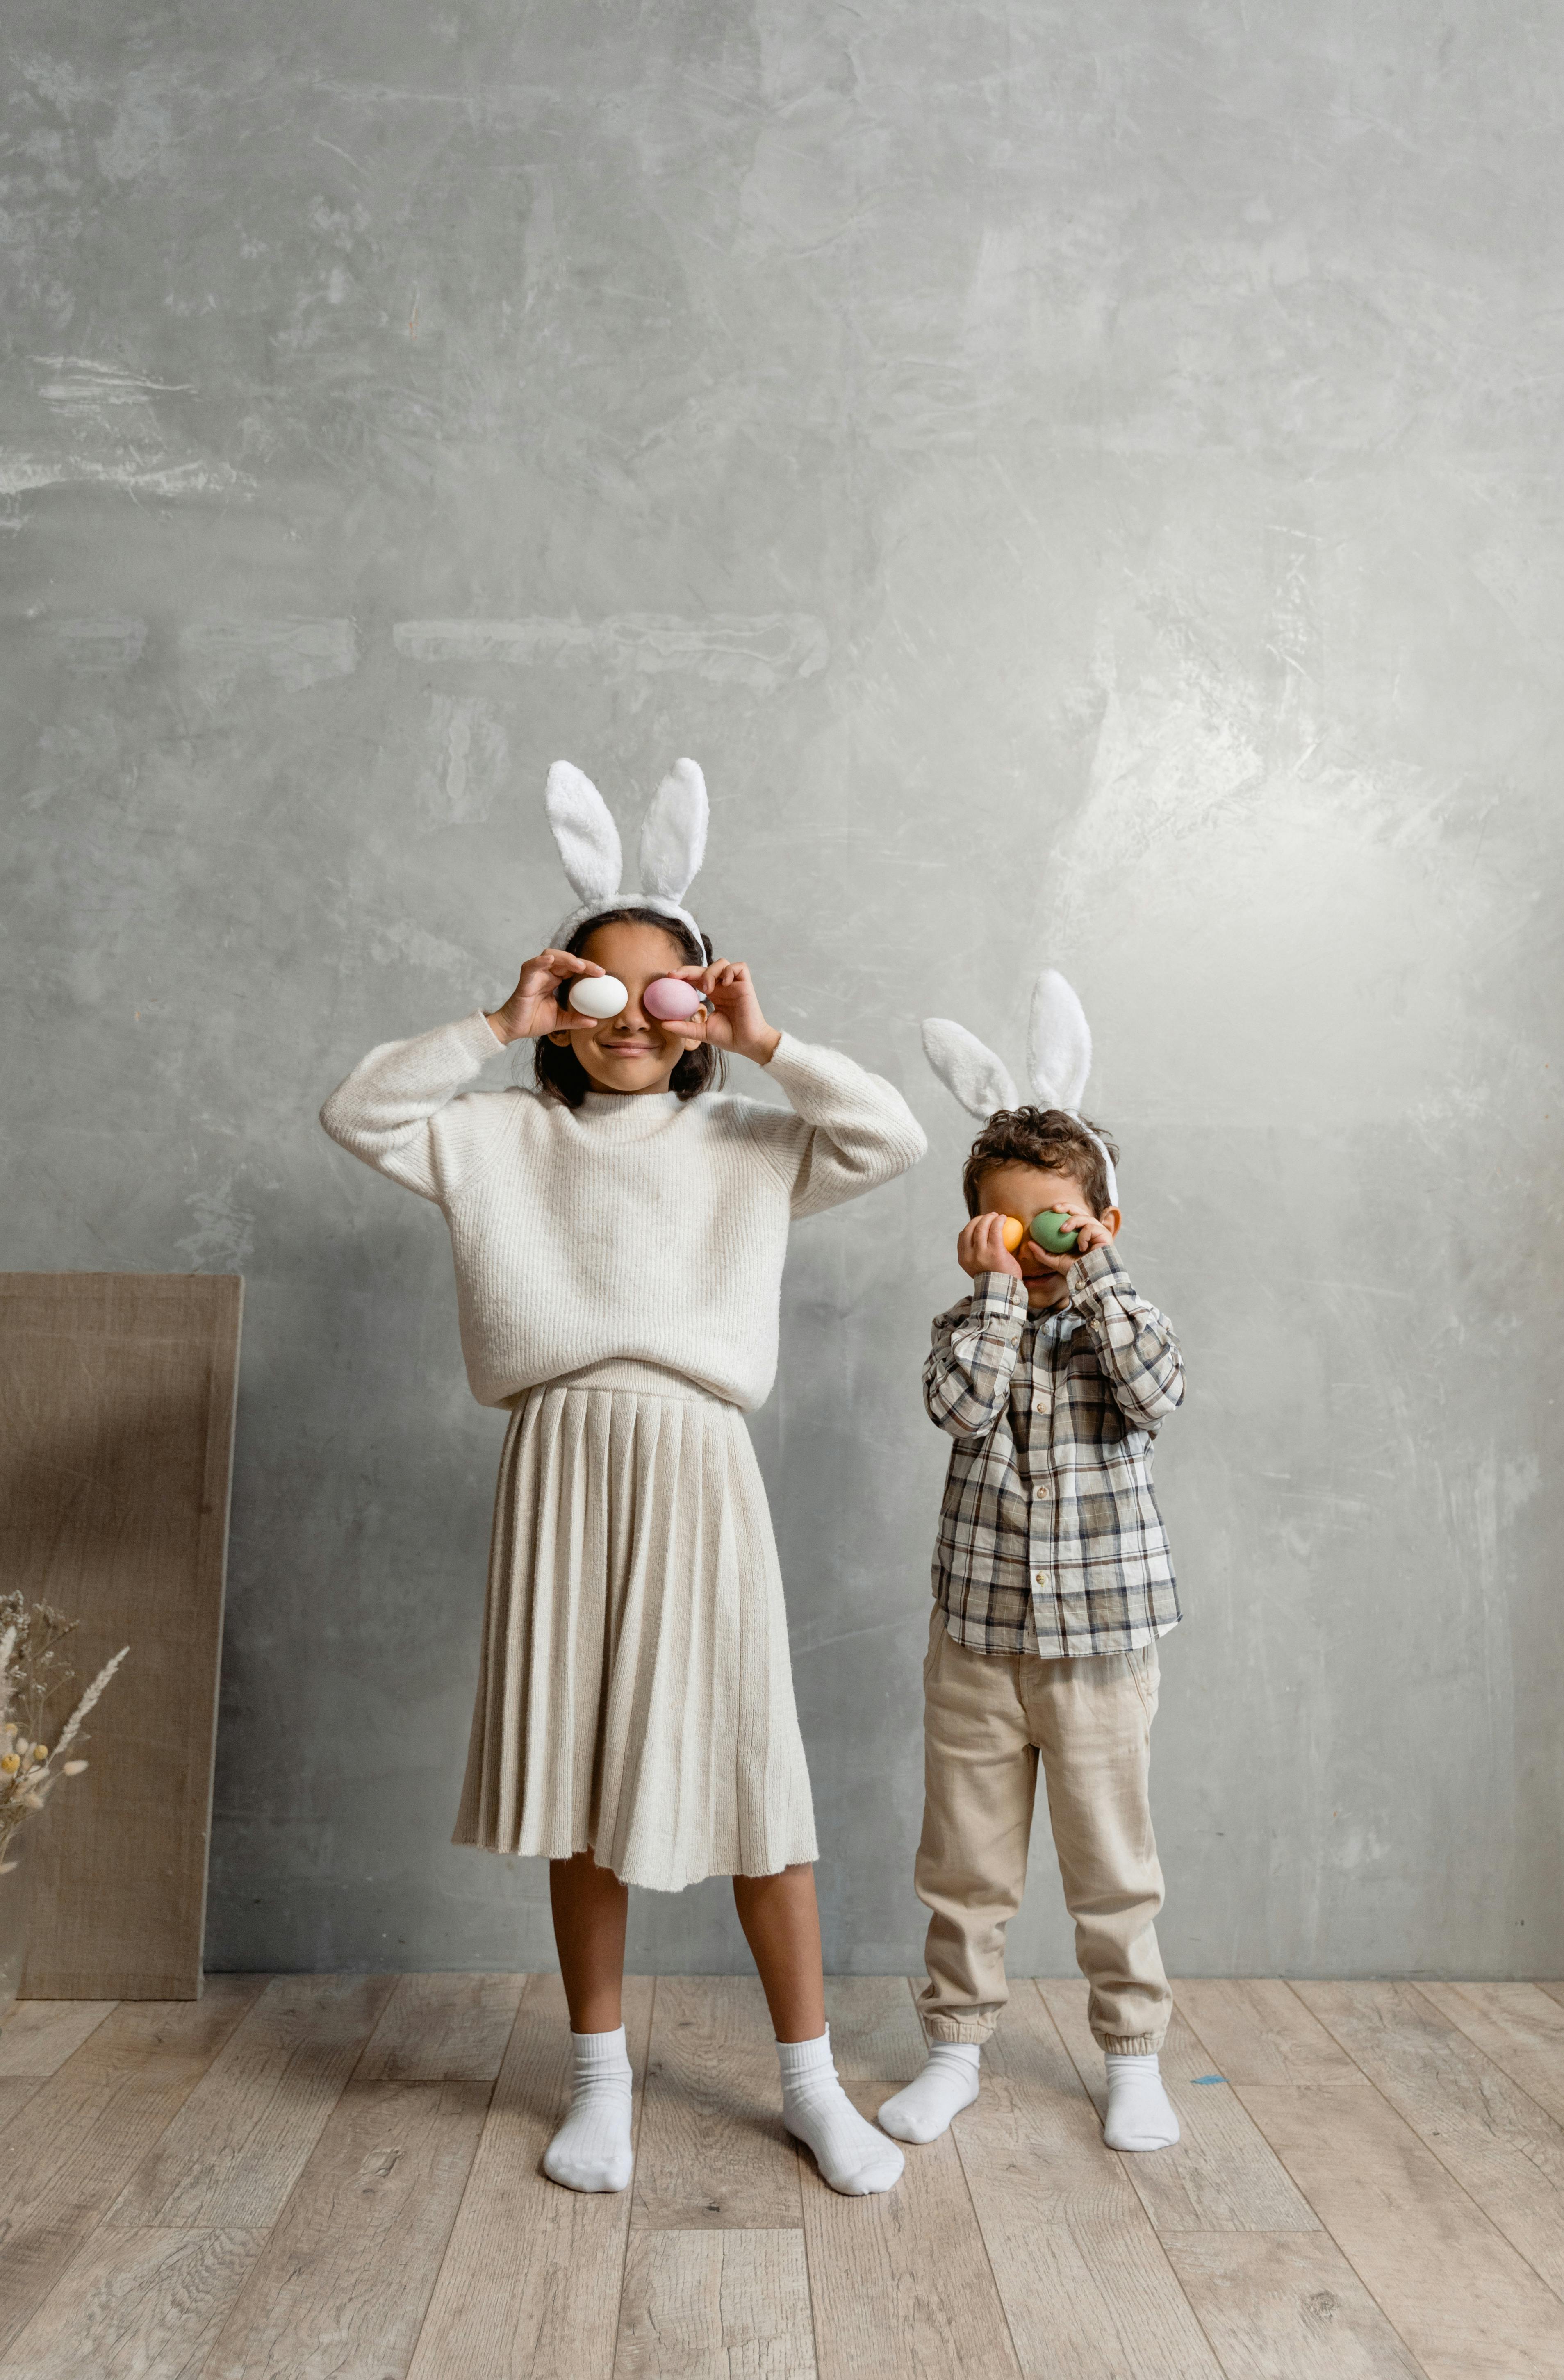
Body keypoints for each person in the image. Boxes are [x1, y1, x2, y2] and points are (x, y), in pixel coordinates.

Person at [320, 758, 924, 2198]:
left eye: (670, 993)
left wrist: (768, 1042)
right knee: (579, 1783)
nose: (632, 1020)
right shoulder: (497, 1137)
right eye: (602, 992)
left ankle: (811, 2084)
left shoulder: (752, 1145)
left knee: (751, 1782)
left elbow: (890, 1138)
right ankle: (599, 2080)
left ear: (703, 1008)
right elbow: (359, 1112)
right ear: (562, 1005)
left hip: (697, 1459)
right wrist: (496, 1019)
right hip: (561, 1461)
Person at [879, 1095, 1184, 2155]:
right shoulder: (969, 1330)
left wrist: (1095, 1273)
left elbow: (1152, 1394)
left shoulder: (1128, 1322)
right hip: (979, 1641)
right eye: (1013, 1225)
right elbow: (960, 1410)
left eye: (1059, 1220)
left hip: (1101, 1648)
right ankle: (956, 2049)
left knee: (1113, 1869)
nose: (1040, 1244)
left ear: (1104, 1219)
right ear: (981, 1234)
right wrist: (997, 1296)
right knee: (965, 1865)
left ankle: (1133, 2058)